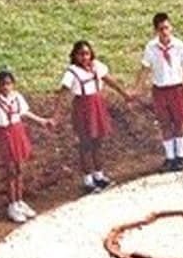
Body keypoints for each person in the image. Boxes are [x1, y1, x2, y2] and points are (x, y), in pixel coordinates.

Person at [57, 40, 134, 193]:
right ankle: (88, 179)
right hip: (83, 107)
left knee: (98, 141)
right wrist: (56, 115)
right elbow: (63, 93)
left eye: (87, 53)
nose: (84, 57)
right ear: (75, 56)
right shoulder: (72, 72)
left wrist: (124, 94)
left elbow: (109, 80)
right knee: (85, 143)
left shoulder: (96, 66)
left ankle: (99, 175)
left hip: (97, 105)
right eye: (81, 54)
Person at [0, 69, 54, 225]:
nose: (6, 87)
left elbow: (25, 113)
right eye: (2, 84)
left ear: (13, 84)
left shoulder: (17, 98)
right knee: (10, 171)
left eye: (9, 84)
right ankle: (12, 204)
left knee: (19, 169)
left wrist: (42, 121)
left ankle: (20, 200)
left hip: (18, 132)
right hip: (6, 135)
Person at [135, 13, 183, 172]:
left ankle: (180, 155)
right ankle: (170, 156)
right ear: (156, 30)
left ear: (171, 27)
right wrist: (137, 88)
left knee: (178, 122)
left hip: (176, 88)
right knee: (165, 123)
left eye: (167, 28)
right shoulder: (151, 47)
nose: (164, 32)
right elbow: (145, 68)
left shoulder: (179, 46)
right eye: (161, 29)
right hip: (160, 89)